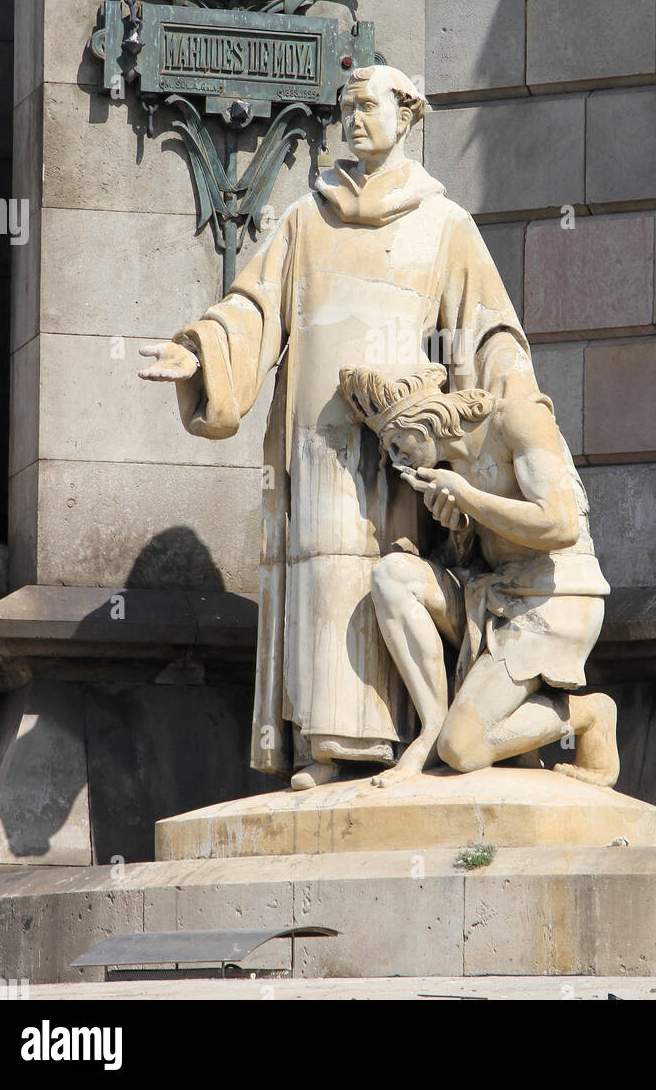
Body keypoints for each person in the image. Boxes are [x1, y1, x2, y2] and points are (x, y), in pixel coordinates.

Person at [139, 65, 541, 789]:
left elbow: (485, 330)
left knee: (380, 566)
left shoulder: (444, 223)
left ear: (407, 115)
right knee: (321, 569)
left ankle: (388, 738)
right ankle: (324, 745)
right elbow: (255, 307)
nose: (354, 119)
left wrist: (511, 400)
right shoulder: (305, 217)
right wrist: (200, 350)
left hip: (396, 435)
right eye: (346, 107)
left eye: (369, 106)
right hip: (313, 433)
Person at [339, 363, 618, 789]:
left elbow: (560, 526)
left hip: (558, 598)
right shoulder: (454, 467)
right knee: (393, 575)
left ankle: (589, 714)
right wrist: (459, 532)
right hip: (495, 596)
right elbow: (478, 553)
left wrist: (468, 497)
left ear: (427, 419)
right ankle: (432, 724)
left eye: (397, 441)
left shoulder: (519, 420)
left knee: (463, 749)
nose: (396, 458)